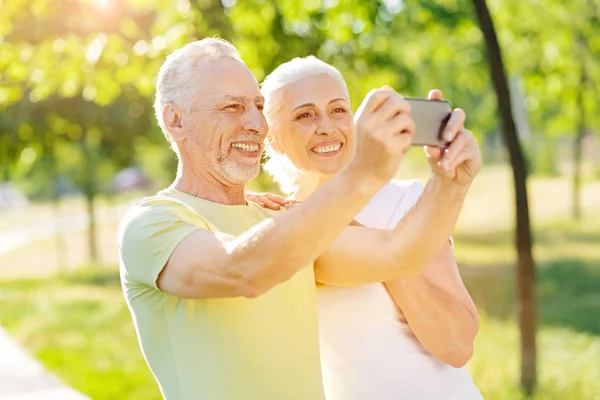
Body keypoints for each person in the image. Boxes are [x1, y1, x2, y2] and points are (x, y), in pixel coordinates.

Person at [116, 38, 420, 400]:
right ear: (176, 120)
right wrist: (361, 175)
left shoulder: (276, 215)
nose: (257, 124)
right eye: (232, 106)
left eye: (258, 106)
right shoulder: (151, 222)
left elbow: (398, 252)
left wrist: (452, 180)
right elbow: (242, 270)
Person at [252, 55, 484, 399]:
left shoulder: (409, 203)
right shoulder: (276, 222)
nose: (327, 126)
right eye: (305, 115)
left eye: (338, 110)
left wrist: (352, 227)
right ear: (273, 139)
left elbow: (457, 345)